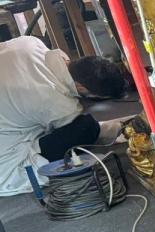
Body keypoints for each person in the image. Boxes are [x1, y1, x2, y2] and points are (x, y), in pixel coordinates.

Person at [0, 35, 126, 197]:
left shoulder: (31, 42)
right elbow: (77, 128)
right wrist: (117, 129)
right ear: (81, 86)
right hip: (8, 158)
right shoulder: (53, 100)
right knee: (86, 128)